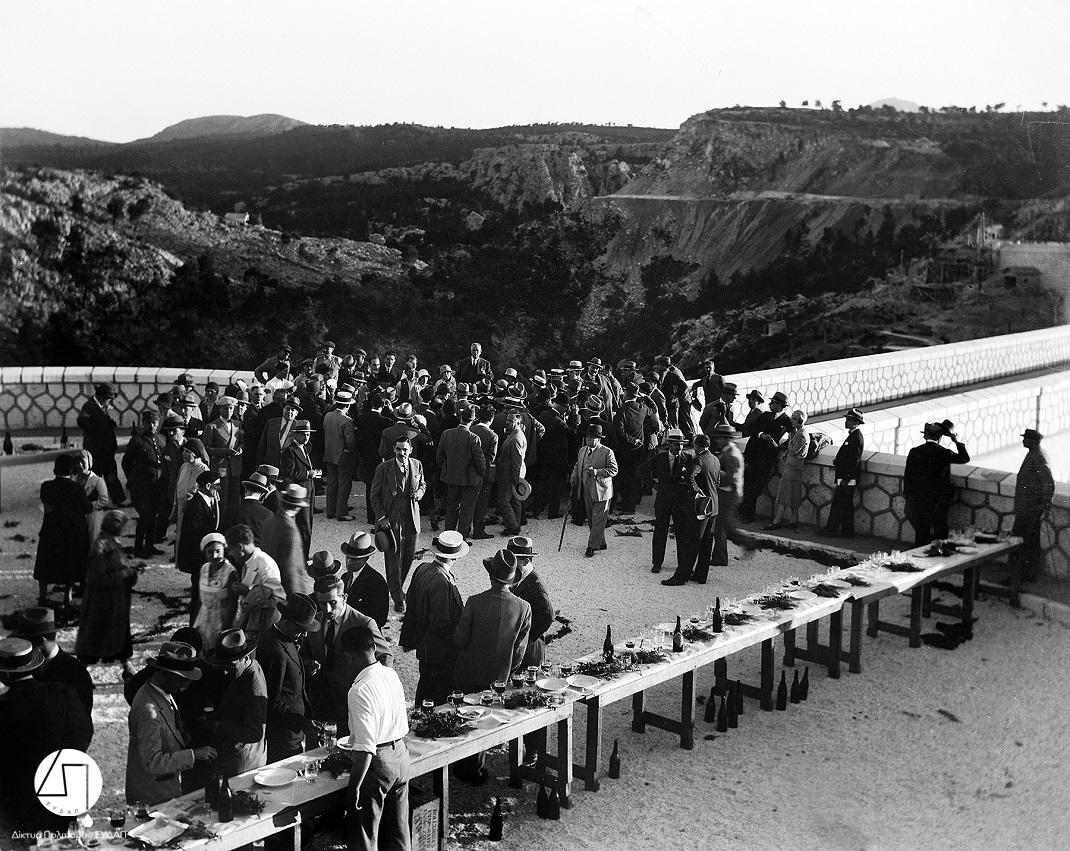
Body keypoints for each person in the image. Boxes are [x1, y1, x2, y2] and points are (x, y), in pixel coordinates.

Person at [0, 637, 94, 834]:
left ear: (5, 674)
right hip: (64, 786)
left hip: (23, 797)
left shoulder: (5, 706)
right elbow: (84, 731)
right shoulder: (63, 692)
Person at [452, 548, 530, 784]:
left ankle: (464, 766)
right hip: (498, 676)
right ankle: (477, 767)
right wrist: (506, 672)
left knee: (466, 719)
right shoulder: (523, 607)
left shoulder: (475, 602)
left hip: (468, 671)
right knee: (486, 721)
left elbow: (459, 639)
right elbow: (519, 651)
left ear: (490, 576)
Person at [341, 625, 411, 851]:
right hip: (401, 755)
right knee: (398, 831)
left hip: (378, 764)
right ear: (372, 647)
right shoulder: (390, 673)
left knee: (365, 834)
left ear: (350, 655)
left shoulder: (359, 690)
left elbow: (365, 749)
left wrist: (354, 790)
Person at [126, 641, 216, 806]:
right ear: (163, 673)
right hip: (153, 797)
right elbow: (152, 762)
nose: (185, 685)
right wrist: (193, 755)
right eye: (181, 679)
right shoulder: (148, 710)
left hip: (166, 790)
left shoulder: (161, 691)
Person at [304, 575, 393, 736]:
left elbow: (385, 657)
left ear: (344, 597)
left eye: (332, 603)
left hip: (350, 702)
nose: (328, 610)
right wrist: (308, 663)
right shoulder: (314, 622)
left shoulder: (363, 623)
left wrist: (379, 694)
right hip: (320, 702)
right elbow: (305, 652)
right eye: (322, 604)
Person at [399, 531, 468, 705]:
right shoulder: (441, 581)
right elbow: (441, 622)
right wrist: (460, 641)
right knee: (440, 698)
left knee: (425, 690)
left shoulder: (422, 568)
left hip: (425, 646)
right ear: (456, 557)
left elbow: (411, 602)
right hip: (440, 652)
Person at [256, 594, 319, 762]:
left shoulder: (286, 639)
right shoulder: (275, 649)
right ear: (287, 622)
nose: (305, 634)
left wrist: (303, 669)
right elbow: (272, 699)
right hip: (283, 736)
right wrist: (302, 722)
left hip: (292, 731)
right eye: (302, 629)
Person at [75, 510, 137, 678]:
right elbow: (99, 577)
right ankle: (80, 674)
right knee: (95, 637)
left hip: (115, 603)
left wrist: (130, 571)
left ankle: (127, 665)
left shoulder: (111, 542)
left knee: (120, 634)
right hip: (102, 603)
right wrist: (124, 574)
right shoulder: (100, 548)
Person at [371, 436, 426, 614]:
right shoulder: (383, 468)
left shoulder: (417, 465)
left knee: (408, 556)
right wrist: (381, 517)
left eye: (405, 450)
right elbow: (374, 495)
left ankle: (397, 587)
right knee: (394, 558)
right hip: (392, 519)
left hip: (411, 518)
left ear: (410, 450)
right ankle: (397, 597)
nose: (401, 453)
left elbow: (423, 484)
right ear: (394, 450)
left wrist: (419, 493)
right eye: (398, 449)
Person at [204, 628, 268, 778]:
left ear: (244, 658)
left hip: (242, 766)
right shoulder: (245, 668)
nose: (225, 672)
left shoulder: (253, 684)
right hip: (234, 759)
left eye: (230, 666)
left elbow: (255, 732)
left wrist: (218, 726)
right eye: (222, 666)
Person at [34, 453, 92, 607]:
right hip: (72, 532)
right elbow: (87, 508)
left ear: (55, 469)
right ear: (72, 471)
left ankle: (42, 596)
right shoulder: (77, 489)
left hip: (51, 531)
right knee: (70, 565)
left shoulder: (46, 487)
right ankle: (68, 596)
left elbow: (47, 505)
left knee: (46, 565)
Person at [17, 606, 95, 720]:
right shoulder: (26, 664)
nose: (23, 648)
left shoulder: (76, 672)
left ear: (41, 641)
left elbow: (81, 723)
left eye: (27, 643)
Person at [664, 433, 721, 585]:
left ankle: (681, 577)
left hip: (702, 505)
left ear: (697, 446)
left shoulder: (699, 460)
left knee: (692, 541)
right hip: (714, 505)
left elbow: (689, 478)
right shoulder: (715, 459)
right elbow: (717, 482)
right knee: (707, 542)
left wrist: (698, 491)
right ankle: (701, 576)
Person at [903, 421, 970, 545]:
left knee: (921, 533)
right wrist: (956, 441)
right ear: (940, 438)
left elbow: (908, 476)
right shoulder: (944, 453)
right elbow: (964, 458)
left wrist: (907, 495)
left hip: (919, 498)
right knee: (940, 531)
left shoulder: (915, 451)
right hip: (939, 500)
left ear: (925, 436)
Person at [643, 429, 691, 576]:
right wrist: (653, 485)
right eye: (676, 444)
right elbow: (642, 470)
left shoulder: (688, 459)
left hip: (680, 502)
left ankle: (683, 565)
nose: (679, 448)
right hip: (663, 501)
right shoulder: (660, 458)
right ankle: (657, 563)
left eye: (682, 445)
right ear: (669, 444)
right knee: (660, 531)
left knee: (682, 533)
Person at [228, 524, 286, 644]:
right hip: (251, 624)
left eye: (231, 550)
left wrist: (247, 592)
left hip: (262, 628)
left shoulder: (265, 565)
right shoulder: (249, 562)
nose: (230, 554)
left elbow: (277, 598)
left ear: (240, 547)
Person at [176, 470, 222, 620]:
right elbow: (197, 537)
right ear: (208, 486)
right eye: (217, 486)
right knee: (198, 597)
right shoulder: (196, 506)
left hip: (204, 559)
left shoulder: (208, 500)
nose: (218, 489)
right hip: (199, 561)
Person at [1011, 428, 1055, 583]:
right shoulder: (1034, 455)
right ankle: (1024, 576)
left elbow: (1048, 483)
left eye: (1026, 439)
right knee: (1028, 543)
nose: (1023, 441)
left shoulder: (1037, 457)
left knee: (1023, 543)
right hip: (1026, 509)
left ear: (1033, 441)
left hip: (1030, 510)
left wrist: (1043, 506)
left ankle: (1022, 577)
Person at [739, 390, 791, 522]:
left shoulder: (786, 420)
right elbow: (752, 429)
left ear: (780, 406)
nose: (770, 404)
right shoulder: (765, 415)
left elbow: (793, 438)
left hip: (766, 458)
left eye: (773, 403)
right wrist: (762, 435)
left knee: (757, 486)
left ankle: (748, 514)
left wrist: (781, 447)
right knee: (748, 484)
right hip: (753, 454)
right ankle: (745, 512)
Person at [437, 402, 486, 539]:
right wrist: (481, 474)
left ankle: (447, 537)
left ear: (460, 417)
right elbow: (479, 461)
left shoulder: (447, 434)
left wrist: (448, 468)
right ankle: (461, 539)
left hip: (451, 477)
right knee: (466, 510)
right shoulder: (473, 438)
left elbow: (439, 457)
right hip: (470, 480)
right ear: (473, 420)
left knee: (451, 508)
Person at [613, 382, 661, 514]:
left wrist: (633, 441)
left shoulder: (622, 410)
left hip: (625, 449)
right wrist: (646, 396)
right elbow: (654, 409)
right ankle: (632, 502)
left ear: (626, 394)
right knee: (635, 477)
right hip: (639, 449)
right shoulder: (642, 407)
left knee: (625, 478)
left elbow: (620, 431)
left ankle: (629, 506)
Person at [570, 423, 618, 558]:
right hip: (586, 488)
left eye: (593, 438)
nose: (589, 440)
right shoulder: (582, 450)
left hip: (602, 490)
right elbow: (578, 464)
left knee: (598, 519)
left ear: (599, 439)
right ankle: (601, 542)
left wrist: (597, 472)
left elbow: (614, 470)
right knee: (592, 519)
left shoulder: (607, 452)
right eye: (588, 437)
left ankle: (592, 546)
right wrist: (574, 476)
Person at [76, 382, 125, 505]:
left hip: (107, 449)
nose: (109, 401)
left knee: (111, 475)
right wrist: (95, 432)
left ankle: (118, 500)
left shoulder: (103, 406)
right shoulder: (89, 406)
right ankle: (94, 502)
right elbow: (81, 421)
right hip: (95, 450)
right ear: (102, 396)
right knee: (95, 476)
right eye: (108, 398)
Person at [261, 484, 313, 598]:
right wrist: (298, 598)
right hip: (283, 591)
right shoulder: (290, 530)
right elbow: (291, 570)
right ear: (298, 507)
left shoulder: (269, 521)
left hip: (267, 582)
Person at [822, 408, 865, 538]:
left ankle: (832, 530)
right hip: (846, 477)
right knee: (845, 505)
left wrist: (846, 478)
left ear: (856, 422)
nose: (846, 422)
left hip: (847, 478)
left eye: (849, 420)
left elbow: (854, 461)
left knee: (840, 504)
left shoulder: (856, 438)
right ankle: (846, 531)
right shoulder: (853, 436)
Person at [193, 532, 239, 650]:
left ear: (224, 549)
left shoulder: (231, 572)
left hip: (220, 620)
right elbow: (199, 598)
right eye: (210, 552)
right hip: (203, 618)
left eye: (218, 551)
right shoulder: (204, 569)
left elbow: (232, 603)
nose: (214, 555)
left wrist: (226, 629)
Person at [765, 409, 809, 531]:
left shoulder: (801, 434)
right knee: (793, 494)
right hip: (794, 467)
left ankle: (777, 521)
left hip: (793, 468)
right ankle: (793, 520)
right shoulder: (798, 432)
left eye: (794, 419)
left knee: (784, 494)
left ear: (801, 421)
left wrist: (789, 440)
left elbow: (794, 450)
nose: (792, 420)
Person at [280, 419, 318, 559]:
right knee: (303, 525)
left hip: (308, 489)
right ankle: (302, 556)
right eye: (303, 434)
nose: (306, 437)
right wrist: (308, 474)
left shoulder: (304, 448)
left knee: (308, 522)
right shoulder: (290, 451)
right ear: (296, 435)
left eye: (308, 434)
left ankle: (304, 553)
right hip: (300, 491)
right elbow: (289, 474)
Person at [354, 393, 394, 523]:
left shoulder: (361, 418)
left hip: (365, 456)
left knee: (370, 486)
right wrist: (391, 410)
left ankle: (370, 516)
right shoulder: (386, 421)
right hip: (379, 457)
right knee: (380, 487)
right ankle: (379, 514)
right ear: (383, 406)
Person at [339, 532, 390, 628]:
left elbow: (380, 619)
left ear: (366, 558)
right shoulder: (345, 577)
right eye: (348, 557)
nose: (349, 562)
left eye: (355, 559)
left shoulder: (377, 582)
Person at [711, 423, 744, 567]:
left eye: (720, 438)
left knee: (719, 528)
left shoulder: (730, 455)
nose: (718, 440)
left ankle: (720, 558)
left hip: (727, 494)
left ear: (726, 439)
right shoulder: (730, 451)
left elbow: (730, 478)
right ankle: (748, 543)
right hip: (729, 493)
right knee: (727, 526)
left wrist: (715, 473)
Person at [202, 396, 244, 508]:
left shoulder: (237, 424)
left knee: (235, 499)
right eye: (226, 408)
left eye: (231, 408)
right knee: (222, 500)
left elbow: (242, 442)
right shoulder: (212, 426)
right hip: (220, 467)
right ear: (220, 409)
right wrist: (225, 451)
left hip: (235, 467)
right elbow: (206, 449)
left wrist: (240, 448)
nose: (229, 411)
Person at [171, 437, 210, 557]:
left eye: (188, 452)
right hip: (181, 510)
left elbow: (208, 495)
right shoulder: (183, 467)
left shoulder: (204, 470)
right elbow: (177, 489)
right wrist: (174, 508)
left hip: (195, 513)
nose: (184, 453)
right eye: (184, 451)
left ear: (196, 453)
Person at [323, 388, 358, 520]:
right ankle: (341, 512)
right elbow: (351, 442)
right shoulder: (346, 420)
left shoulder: (328, 416)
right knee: (344, 484)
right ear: (348, 405)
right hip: (343, 455)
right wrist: (352, 451)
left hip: (329, 453)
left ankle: (331, 510)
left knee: (332, 483)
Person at [496, 410, 528, 536]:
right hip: (512, 473)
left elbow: (517, 461)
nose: (508, 423)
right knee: (515, 500)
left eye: (511, 421)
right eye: (507, 420)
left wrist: (515, 478)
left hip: (510, 474)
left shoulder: (516, 438)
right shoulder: (515, 434)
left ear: (518, 422)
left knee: (503, 500)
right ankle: (516, 523)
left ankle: (513, 526)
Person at [471, 404, 500, 539]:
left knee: (468, 502)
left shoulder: (470, 430)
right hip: (484, 473)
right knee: (481, 504)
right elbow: (490, 458)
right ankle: (478, 530)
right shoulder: (493, 436)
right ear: (492, 418)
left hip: (469, 472)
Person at [220, 472, 273, 544]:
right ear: (262, 494)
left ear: (245, 489)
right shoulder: (268, 515)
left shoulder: (230, 511)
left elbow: (221, 537)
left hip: (233, 552)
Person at [75, 448, 110, 557]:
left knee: (94, 542)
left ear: (89, 462)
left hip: (93, 516)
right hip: (79, 517)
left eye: (83, 462)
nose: (80, 465)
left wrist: (90, 506)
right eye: (77, 462)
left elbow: (104, 500)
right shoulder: (75, 480)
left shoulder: (98, 480)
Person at [257, 395, 302, 468]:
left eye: (292, 410)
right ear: (283, 409)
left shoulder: (299, 427)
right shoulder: (271, 423)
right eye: (288, 409)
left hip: (289, 467)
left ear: (296, 413)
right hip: (270, 465)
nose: (289, 412)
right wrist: (259, 465)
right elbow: (262, 445)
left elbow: (306, 447)